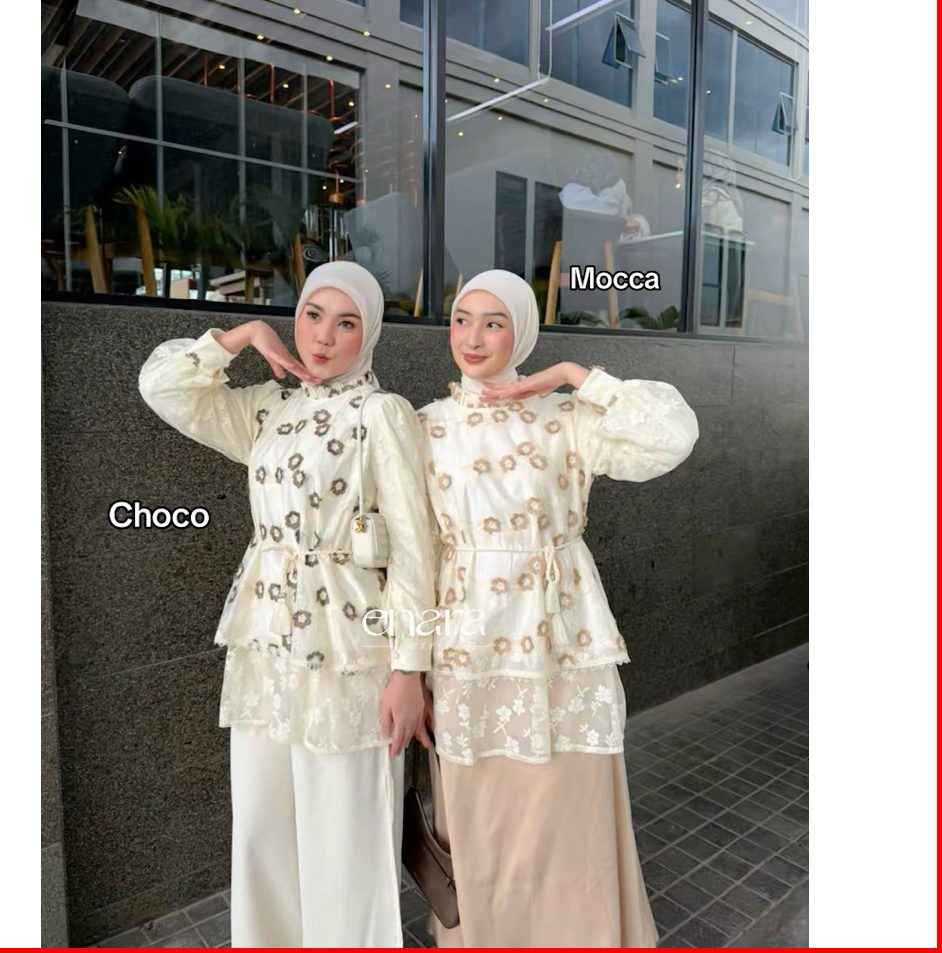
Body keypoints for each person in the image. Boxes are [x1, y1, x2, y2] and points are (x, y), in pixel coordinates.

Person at [138, 261, 435, 948]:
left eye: (346, 322)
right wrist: (240, 336)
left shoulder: (382, 414)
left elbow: (418, 551)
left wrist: (409, 668)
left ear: (369, 333)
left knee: (345, 829)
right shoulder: (267, 408)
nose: (323, 337)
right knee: (263, 823)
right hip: (266, 637)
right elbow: (162, 386)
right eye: (311, 316)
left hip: (350, 644)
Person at [417, 270, 699, 948]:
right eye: (462, 319)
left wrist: (575, 376)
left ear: (521, 333)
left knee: (569, 804)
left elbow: (673, 434)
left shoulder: (567, 418)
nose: (473, 337)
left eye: (494, 322)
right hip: (466, 646)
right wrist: (408, 663)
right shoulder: (425, 426)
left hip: (562, 641)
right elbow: (414, 555)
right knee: (482, 813)